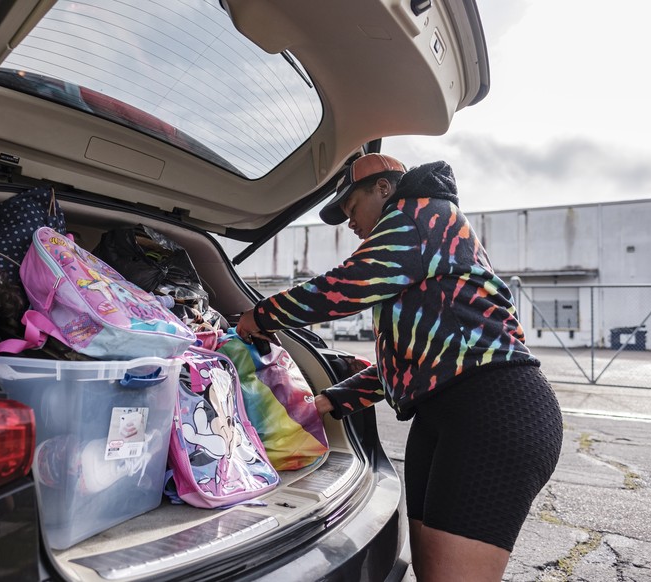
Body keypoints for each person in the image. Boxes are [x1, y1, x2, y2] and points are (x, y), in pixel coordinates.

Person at [235, 153, 563, 582]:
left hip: (493, 410)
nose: (350, 223)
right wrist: (326, 402)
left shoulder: (418, 214)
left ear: (384, 189)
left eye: (352, 208)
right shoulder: (415, 252)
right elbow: (413, 361)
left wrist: (258, 318)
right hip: (445, 412)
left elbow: (347, 285)